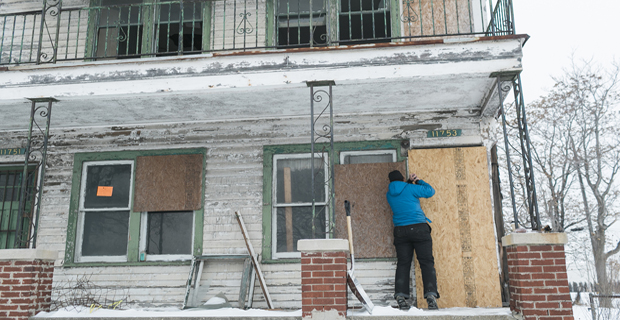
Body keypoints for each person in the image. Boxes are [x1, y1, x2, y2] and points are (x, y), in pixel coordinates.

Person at [386, 170, 439, 310]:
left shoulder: (389, 194)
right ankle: (431, 296)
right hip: (419, 229)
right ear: (402, 178)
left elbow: (401, 192)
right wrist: (417, 180)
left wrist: (408, 183)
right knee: (426, 262)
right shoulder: (410, 188)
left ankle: (400, 296)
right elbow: (430, 191)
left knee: (403, 264)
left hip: (401, 231)